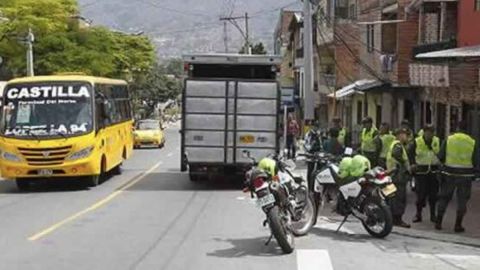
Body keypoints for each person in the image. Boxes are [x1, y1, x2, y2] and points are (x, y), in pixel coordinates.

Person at [436, 121, 478, 233]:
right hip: (465, 175)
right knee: (462, 200)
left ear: (457, 128)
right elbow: (476, 160)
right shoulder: (472, 142)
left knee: (444, 197)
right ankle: (458, 225)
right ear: (467, 129)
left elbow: (440, 156)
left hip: (449, 173)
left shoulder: (449, 139)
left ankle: (438, 222)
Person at [408, 125, 441, 223]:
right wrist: (412, 164)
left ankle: (433, 215)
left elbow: (442, 153)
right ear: (424, 132)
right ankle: (418, 214)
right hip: (421, 171)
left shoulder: (437, 140)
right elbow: (410, 154)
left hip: (434, 171)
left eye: (431, 132)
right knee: (420, 195)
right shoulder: (417, 141)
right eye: (428, 132)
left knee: (433, 195)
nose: (429, 134)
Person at [387, 128, 412, 228]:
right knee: (399, 198)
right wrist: (405, 166)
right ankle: (398, 219)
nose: (406, 137)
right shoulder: (398, 145)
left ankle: (392, 218)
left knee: (392, 197)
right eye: (405, 135)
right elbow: (396, 154)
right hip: (398, 176)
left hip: (392, 175)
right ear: (399, 135)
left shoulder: (394, 144)